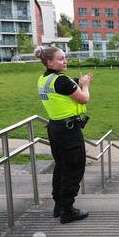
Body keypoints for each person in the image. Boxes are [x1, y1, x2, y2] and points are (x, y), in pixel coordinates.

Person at [35, 46, 93, 224]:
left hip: (55, 128)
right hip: (69, 132)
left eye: (65, 57)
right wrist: (85, 85)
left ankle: (59, 205)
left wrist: (78, 82)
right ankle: (68, 211)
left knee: (60, 166)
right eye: (60, 58)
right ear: (49, 62)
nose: (64, 61)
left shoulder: (45, 79)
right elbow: (84, 98)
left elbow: (65, 87)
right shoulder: (61, 81)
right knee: (74, 168)